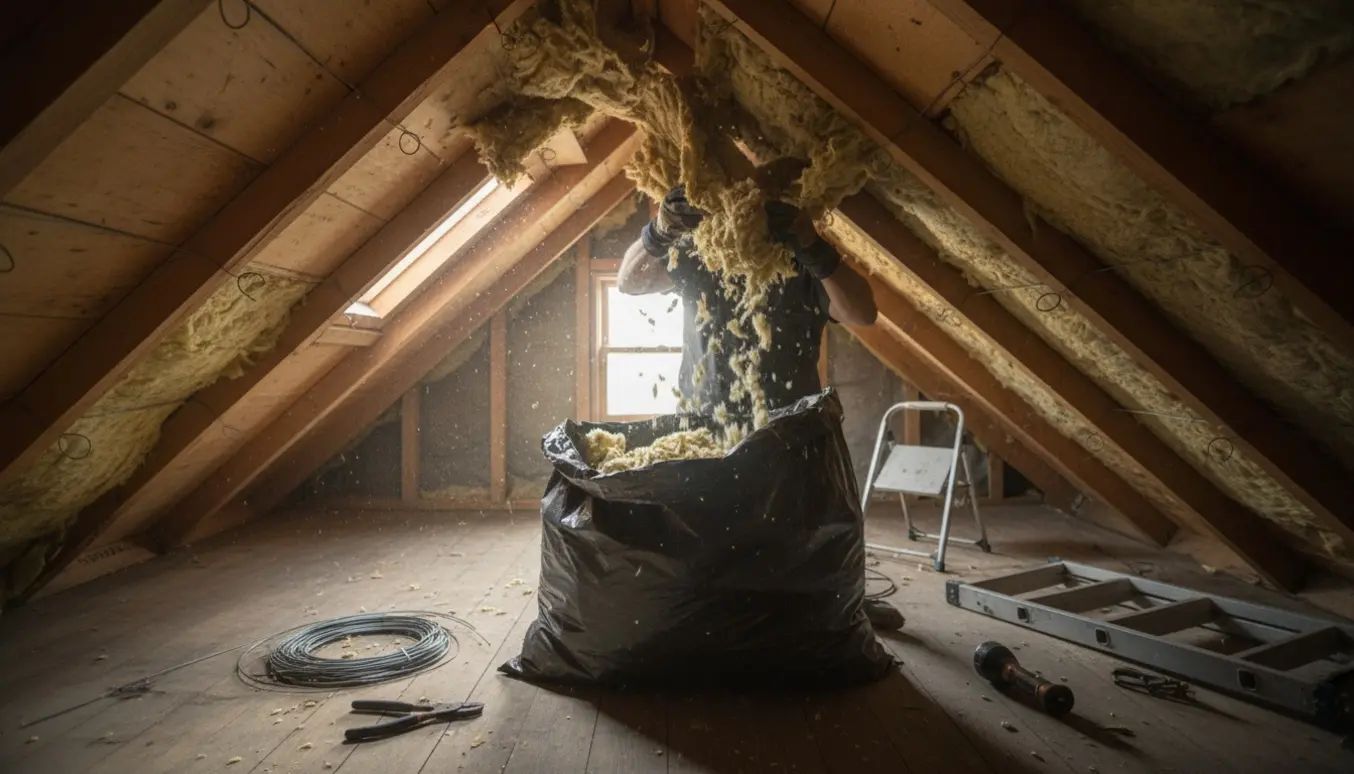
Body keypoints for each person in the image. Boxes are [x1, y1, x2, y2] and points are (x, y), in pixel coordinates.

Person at [617, 176, 906, 631]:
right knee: (708, 529)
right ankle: (710, 608)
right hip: (705, 421)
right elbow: (629, 283)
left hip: (788, 426)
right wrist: (660, 231)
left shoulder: (800, 263)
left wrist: (812, 244)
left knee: (799, 528)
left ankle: (838, 601)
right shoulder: (703, 254)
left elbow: (863, 312)